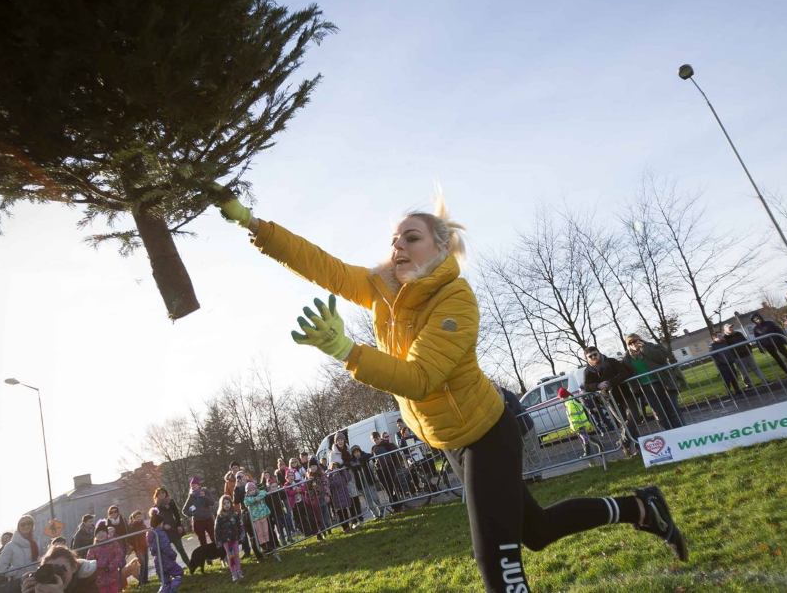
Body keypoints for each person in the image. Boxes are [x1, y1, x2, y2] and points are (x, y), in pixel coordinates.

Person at [215, 191, 688, 591]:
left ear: (442, 248)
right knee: (537, 531)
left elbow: (421, 378)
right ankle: (639, 507)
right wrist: (253, 223)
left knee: (497, 568)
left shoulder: (456, 299)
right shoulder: (383, 289)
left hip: (486, 433)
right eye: (394, 239)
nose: (398, 246)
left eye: (411, 238)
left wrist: (347, 350)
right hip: (450, 441)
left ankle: (640, 507)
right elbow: (326, 268)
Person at [581, 347, 641, 453]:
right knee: (623, 423)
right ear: (586, 358)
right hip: (608, 400)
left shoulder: (612, 361)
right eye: (590, 356)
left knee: (634, 417)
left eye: (595, 354)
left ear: (599, 353)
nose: (594, 357)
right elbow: (586, 386)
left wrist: (610, 383)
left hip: (624, 394)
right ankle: (636, 448)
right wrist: (598, 385)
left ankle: (623, 442)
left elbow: (624, 373)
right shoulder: (587, 372)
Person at [622, 334, 684, 430]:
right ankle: (672, 436)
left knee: (673, 411)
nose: (633, 344)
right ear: (628, 345)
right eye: (630, 343)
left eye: (635, 341)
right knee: (660, 415)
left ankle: (683, 433)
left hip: (664, 384)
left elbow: (662, 358)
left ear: (640, 339)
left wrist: (644, 348)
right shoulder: (627, 358)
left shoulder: (652, 347)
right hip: (647, 389)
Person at [748, 314, 787, 378]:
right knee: (778, 360)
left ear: (760, 317)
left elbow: (779, 331)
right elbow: (757, 339)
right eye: (755, 320)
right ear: (753, 321)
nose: (757, 320)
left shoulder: (769, 323)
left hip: (778, 342)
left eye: (758, 318)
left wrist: (784, 340)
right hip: (769, 346)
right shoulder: (756, 329)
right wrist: (761, 348)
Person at [19, 545, 98, 593]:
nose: (55, 575)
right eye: (49, 570)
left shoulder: (88, 583)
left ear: (74, 568)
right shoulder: (40, 584)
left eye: (60, 569)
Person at [556, 387, 603, 456]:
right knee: (584, 438)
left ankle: (598, 446)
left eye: (561, 398)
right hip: (579, 423)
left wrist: (576, 425)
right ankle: (587, 453)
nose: (560, 399)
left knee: (585, 437)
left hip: (579, 424)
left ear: (564, 397)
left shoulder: (570, 403)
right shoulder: (570, 401)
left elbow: (574, 415)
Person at [145, 512, 183, 593]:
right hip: (166, 560)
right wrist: (173, 554)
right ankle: (171, 591)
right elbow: (165, 547)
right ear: (160, 523)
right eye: (162, 523)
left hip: (157, 561)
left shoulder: (150, 534)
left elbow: (153, 549)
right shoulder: (161, 533)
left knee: (165, 582)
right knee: (179, 573)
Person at [150, 487, 189, 566]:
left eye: (163, 493)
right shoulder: (155, 507)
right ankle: (173, 569)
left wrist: (179, 525)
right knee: (168, 552)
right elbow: (153, 523)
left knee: (180, 549)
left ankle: (190, 566)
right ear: (156, 495)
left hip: (173, 528)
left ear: (166, 493)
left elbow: (177, 515)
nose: (162, 495)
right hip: (163, 532)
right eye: (159, 493)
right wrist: (163, 526)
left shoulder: (171, 502)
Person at [213, 495, 244, 582]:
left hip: (235, 538)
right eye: (224, 503)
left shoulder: (235, 514)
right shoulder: (219, 517)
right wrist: (218, 540)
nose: (226, 505)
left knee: (237, 555)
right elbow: (216, 529)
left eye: (228, 503)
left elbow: (240, 525)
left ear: (231, 503)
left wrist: (242, 534)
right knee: (231, 556)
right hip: (226, 540)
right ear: (221, 505)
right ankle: (233, 573)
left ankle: (239, 571)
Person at [85, 526, 123, 593]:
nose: (101, 534)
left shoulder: (113, 543)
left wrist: (110, 566)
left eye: (103, 532)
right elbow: (90, 561)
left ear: (106, 533)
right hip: (100, 578)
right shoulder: (92, 548)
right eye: (98, 533)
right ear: (95, 535)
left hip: (113, 575)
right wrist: (100, 567)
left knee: (114, 590)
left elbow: (119, 555)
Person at [181, 477, 215, 550]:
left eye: (194, 485)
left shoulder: (205, 491)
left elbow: (212, 502)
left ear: (199, 485)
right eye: (192, 485)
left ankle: (221, 554)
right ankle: (208, 558)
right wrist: (193, 513)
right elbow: (184, 510)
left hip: (208, 519)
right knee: (203, 541)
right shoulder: (191, 496)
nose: (193, 486)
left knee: (214, 538)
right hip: (198, 522)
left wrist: (205, 496)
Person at [707, 333, 746, 397]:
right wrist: (722, 361)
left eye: (721, 335)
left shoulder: (724, 342)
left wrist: (732, 359)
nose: (721, 336)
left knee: (734, 376)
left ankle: (737, 390)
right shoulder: (712, 345)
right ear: (714, 338)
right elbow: (714, 356)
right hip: (722, 365)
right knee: (726, 379)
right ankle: (729, 392)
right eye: (719, 336)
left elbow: (730, 351)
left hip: (730, 362)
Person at [243, 481, 274, 553]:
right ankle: (263, 546)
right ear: (247, 492)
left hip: (263, 515)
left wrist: (257, 497)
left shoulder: (260, 492)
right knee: (259, 532)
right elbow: (246, 502)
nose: (252, 491)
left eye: (253, 489)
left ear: (256, 489)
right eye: (250, 490)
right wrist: (255, 499)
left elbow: (264, 493)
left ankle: (268, 544)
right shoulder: (247, 498)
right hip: (255, 518)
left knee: (265, 530)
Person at [127, 510, 149, 586]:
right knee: (142, 563)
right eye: (137, 517)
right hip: (138, 547)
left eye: (140, 516)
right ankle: (141, 581)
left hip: (145, 546)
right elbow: (130, 538)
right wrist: (132, 546)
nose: (139, 518)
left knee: (146, 563)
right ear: (133, 518)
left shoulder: (143, 524)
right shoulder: (132, 526)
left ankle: (145, 580)